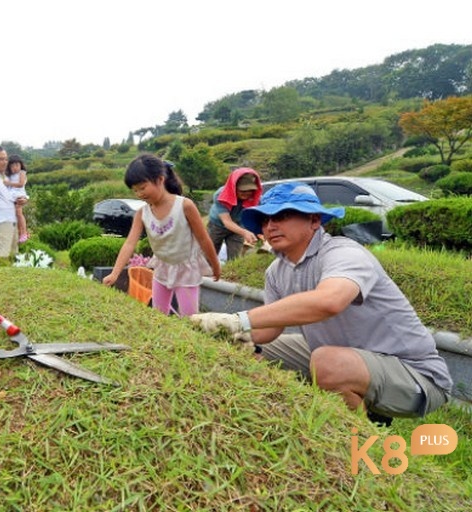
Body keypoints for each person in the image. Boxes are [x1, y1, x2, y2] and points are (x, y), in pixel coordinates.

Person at [190, 182, 453, 425]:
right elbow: (268, 331)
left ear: (314, 220)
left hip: (413, 374)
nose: (270, 226)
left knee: (327, 362)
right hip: (342, 352)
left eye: (281, 216)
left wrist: (241, 319)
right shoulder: (276, 272)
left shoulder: (343, 252)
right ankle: (280, 419)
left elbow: (330, 301)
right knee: (250, 349)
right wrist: (229, 331)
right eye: (265, 219)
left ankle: (361, 444)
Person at [103, 154, 221, 316]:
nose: (139, 194)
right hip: (162, 267)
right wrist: (115, 273)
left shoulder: (185, 206)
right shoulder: (142, 213)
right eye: (135, 190)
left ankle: (188, 341)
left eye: (142, 187)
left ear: (160, 180)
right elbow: (130, 244)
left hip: (186, 269)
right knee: (158, 316)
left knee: (190, 318)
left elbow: (203, 238)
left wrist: (215, 265)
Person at [207, 168, 262, 261]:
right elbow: (227, 222)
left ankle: (230, 273)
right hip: (217, 226)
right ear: (234, 187)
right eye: (243, 190)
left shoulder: (255, 198)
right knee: (210, 254)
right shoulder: (220, 195)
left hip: (238, 225)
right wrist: (245, 232)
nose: (247, 193)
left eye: (250, 190)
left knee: (235, 257)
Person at [4, 154, 30, 243]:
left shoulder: (22, 173)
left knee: (19, 213)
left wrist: (9, 183)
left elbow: (21, 184)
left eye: (17, 165)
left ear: (20, 165)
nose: (15, 168)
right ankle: (20, 233)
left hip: (19, 194)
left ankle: (24, 233)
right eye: (12, 166)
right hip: (11, 196)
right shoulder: (9, 176)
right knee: (14, 215)